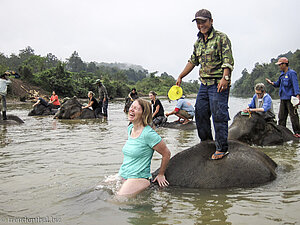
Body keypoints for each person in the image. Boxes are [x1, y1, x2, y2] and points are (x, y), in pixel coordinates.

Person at [176, 9, 234, 160]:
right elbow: (192, 61)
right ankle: (207, 143)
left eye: (203, 21)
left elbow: (227, 60)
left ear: (211, 21)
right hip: (204, 84)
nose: (201, 25)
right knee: (200, 113)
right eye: (198, 22)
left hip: (218, 84)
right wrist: (181, 75)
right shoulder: (198, 42)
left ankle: (222, 148)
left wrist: (225, 78)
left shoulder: (221, 38)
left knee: (218, 114)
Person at [117, 99, 171, 197]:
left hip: (138, 178)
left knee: (116, 201)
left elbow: (166, 154)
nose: (131, 110)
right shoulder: (130, 129)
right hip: (123, 173)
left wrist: (161, 174)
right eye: (131, 107)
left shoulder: (149, 134)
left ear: (143, 114)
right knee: (98, 189)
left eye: (136, 108)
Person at [266, 57, 300, 137]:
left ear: (285, 64)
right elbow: (277, 84)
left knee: (293, 117)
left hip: (291, 99)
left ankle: (297, 133)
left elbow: (295, 85)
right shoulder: (282, 75)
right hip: (283, 99)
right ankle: (281, 132)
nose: (279, 66)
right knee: (281, 117)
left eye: (280, 65)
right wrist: (271, 83)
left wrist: (298, 96)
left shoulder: (292, 73)